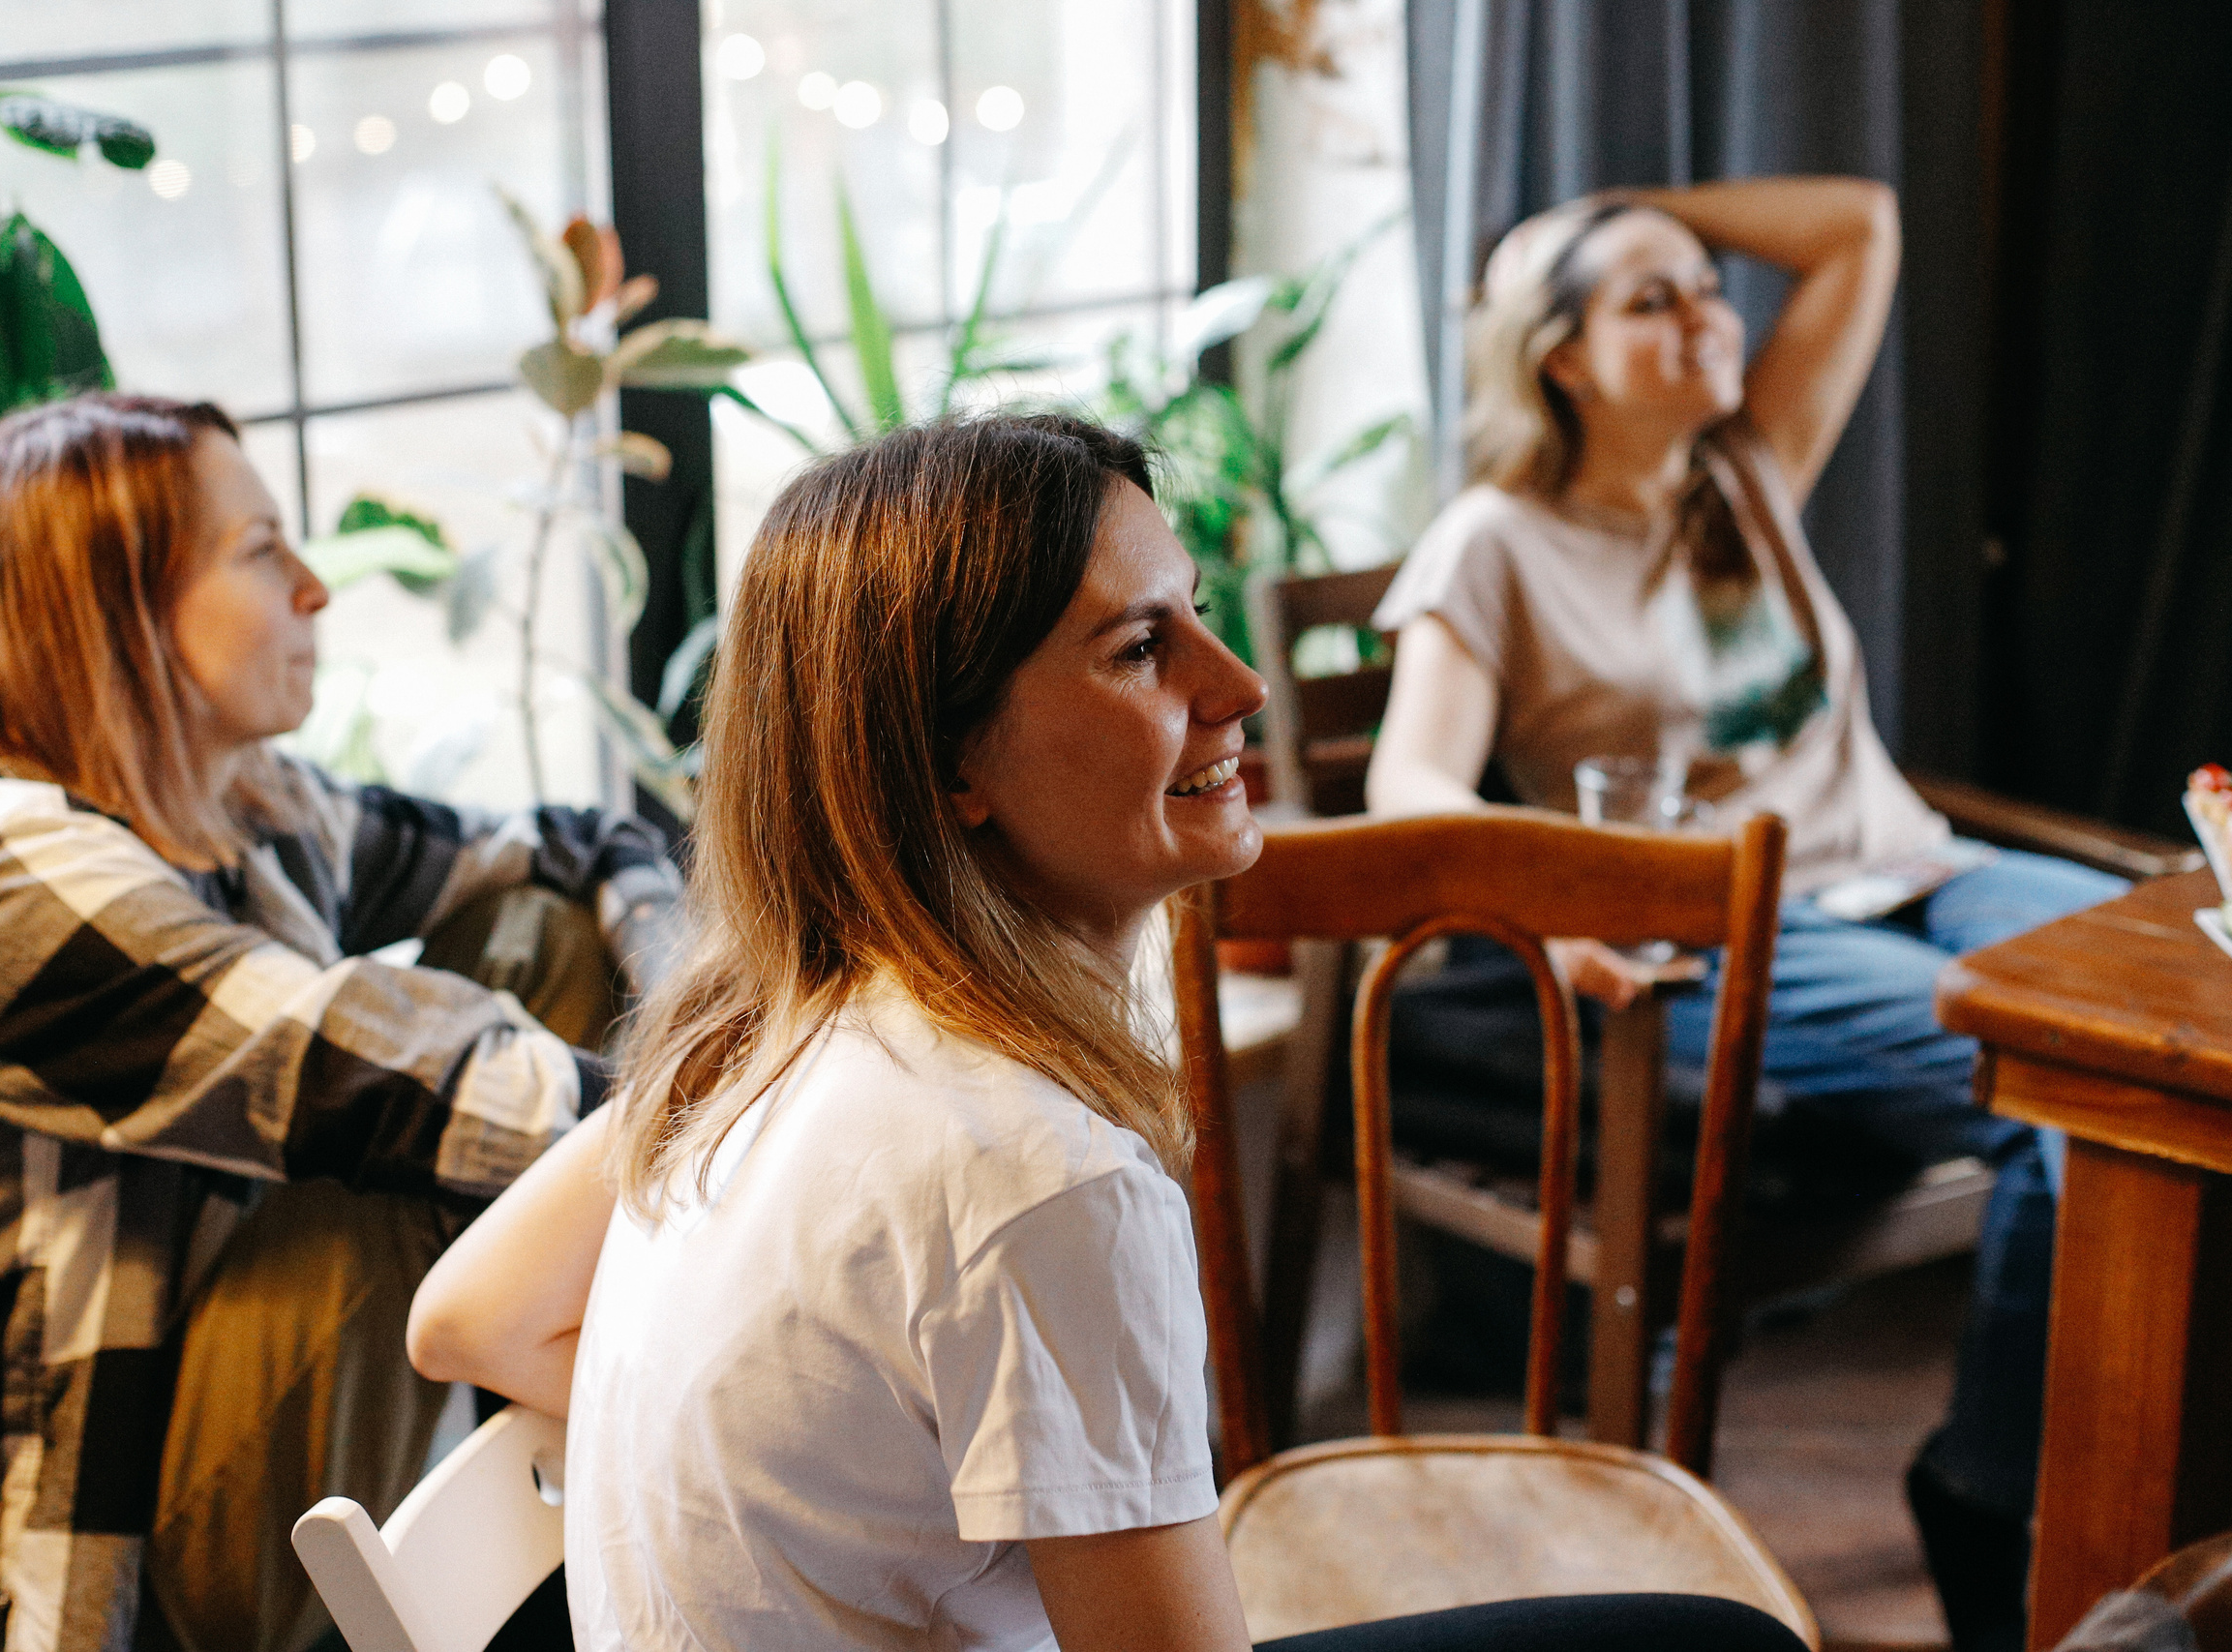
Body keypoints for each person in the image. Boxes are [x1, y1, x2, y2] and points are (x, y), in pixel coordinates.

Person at [407, 413, 1808, 1652]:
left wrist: (814, 1474)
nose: (1240, 685)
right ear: (951, 761)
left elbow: (466, 1317)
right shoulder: (1036, 1175)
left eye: (1195, 614)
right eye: (1144, 647)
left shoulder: (763, 1028)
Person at [1363, 178, 2122, 1652]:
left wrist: (1629, 209)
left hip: (1915, 866)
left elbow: (1861, 227)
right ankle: (1997, 1482)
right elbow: (1410, 782)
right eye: (1652, 296)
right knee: (2073, 1102)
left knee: (2185, 1013)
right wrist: (1553, 906)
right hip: (1728, 927)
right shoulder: (1495, 541)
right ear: (1560, 355)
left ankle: (2124, 1449)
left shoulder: (1746, 470)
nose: (1709, 314)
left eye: (1709, 286)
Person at [0, 393, 680, 1652]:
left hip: (215, 1414)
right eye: (264, 551)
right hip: (93, 1565)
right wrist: (759, 1116)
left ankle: (626, 1397)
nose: (316, 589)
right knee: (383, 1182)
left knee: (538, 933)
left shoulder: (240, 804)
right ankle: (679, 1367)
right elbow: (389, 1083)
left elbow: (572, 848)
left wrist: (690, 993)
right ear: (116, 613)